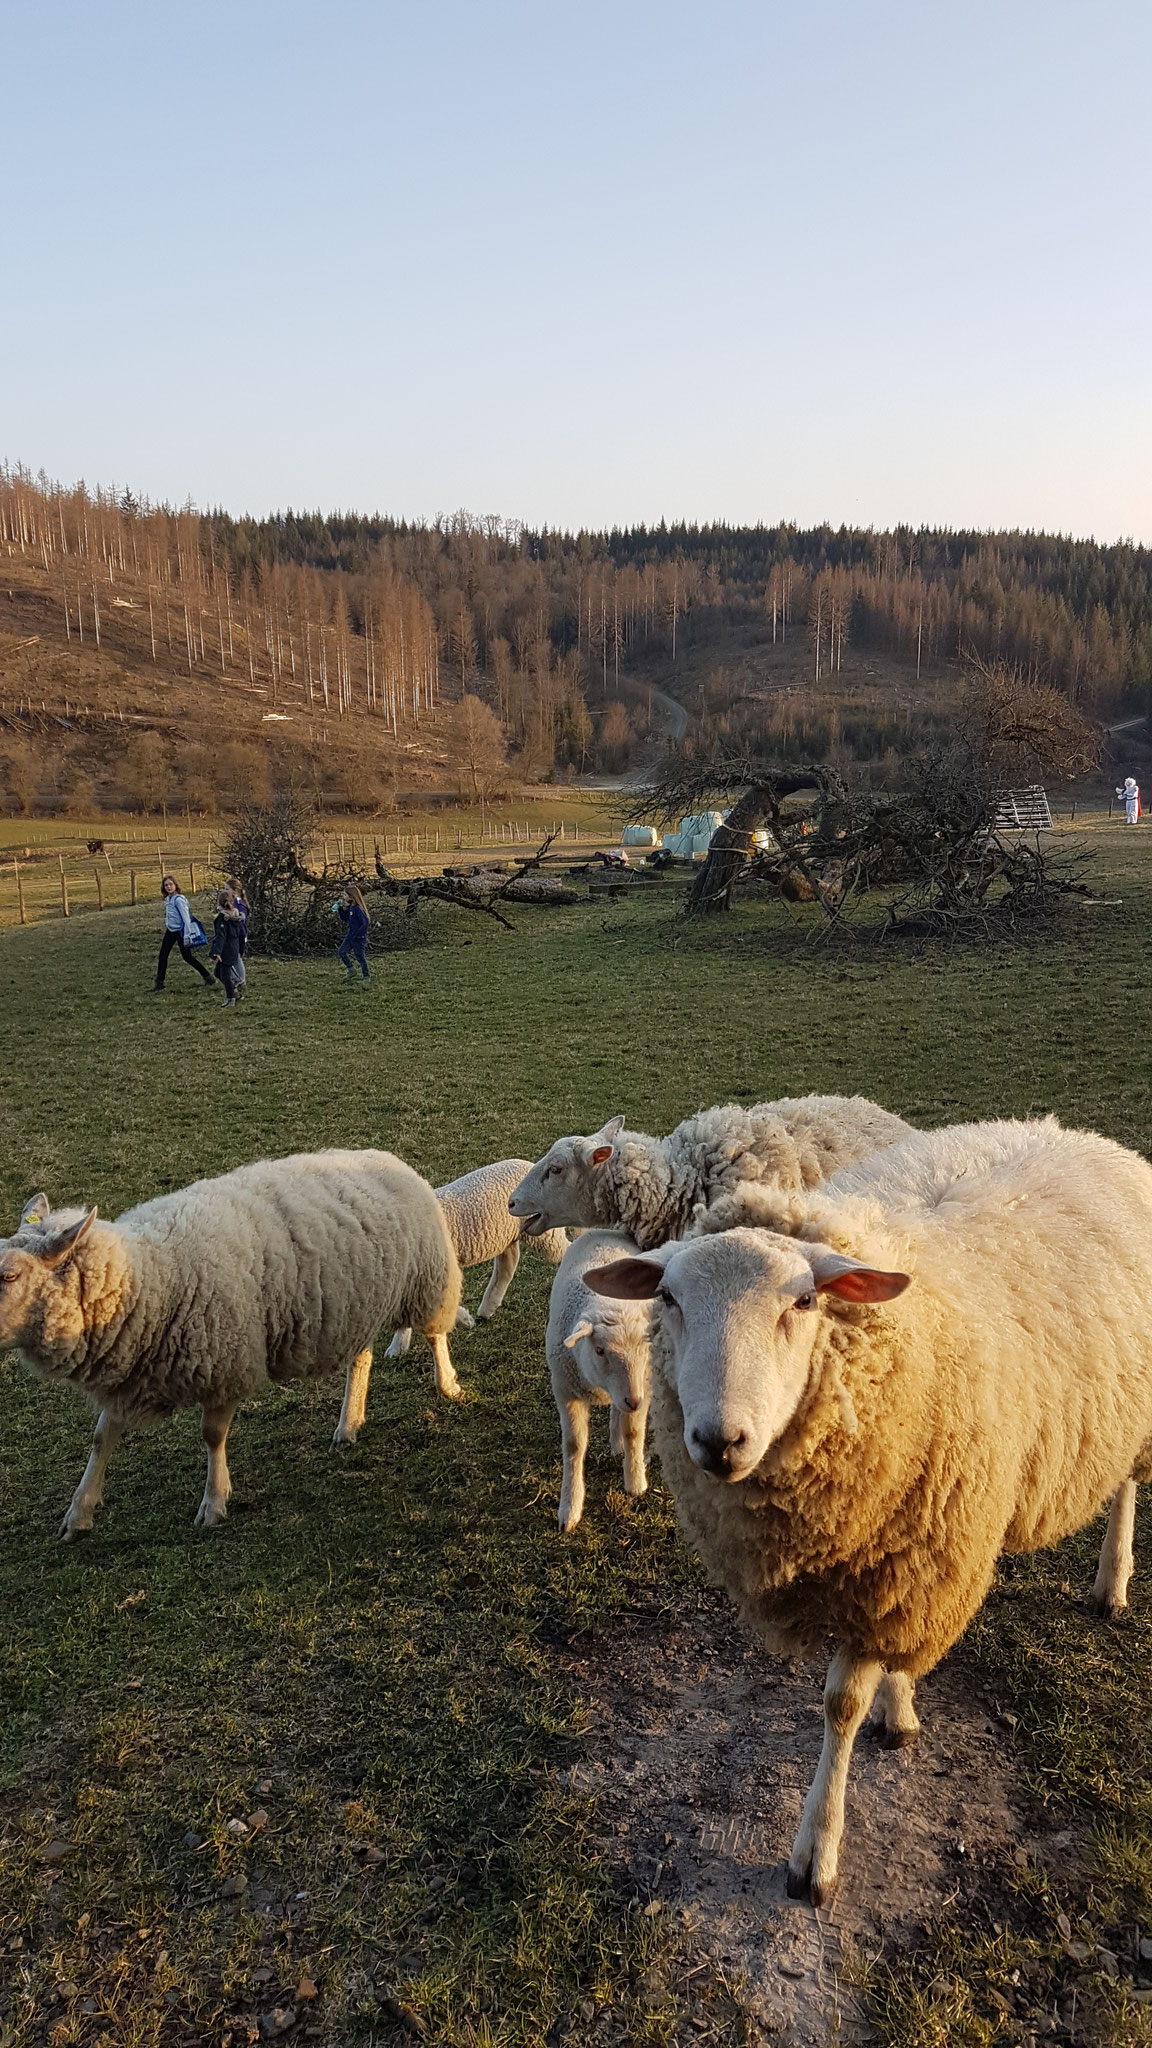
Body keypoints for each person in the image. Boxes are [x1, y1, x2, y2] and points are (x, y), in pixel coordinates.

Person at [154, 874, 213, 992]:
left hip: (181, 931)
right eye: (166, 885)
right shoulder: (168, 899)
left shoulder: (179, 900)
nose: (168, 887)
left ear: (175, 885)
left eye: (171, 884)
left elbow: (186, 918)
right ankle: (159, 983)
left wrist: (187, 935)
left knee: (187, 957)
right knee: (163, 955)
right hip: (170, 931)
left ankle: (207, 977)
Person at [210, 887, 245, 1007]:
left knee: (224, 974)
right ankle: (234, 987)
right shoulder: (237, 916)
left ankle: (231, 997)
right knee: (217, 973)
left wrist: (217, 952)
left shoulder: (221, 918)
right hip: (234, 948)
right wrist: (242, 949)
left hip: (226, 950)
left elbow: (221, 937)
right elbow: (242, 934)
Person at [335, 880, 371, 981]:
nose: (343, 896)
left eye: (345, 894)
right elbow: (346, 919)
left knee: (360, 956)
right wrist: (341, 909)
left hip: (358, 938)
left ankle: (366, 976)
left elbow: (365, 922)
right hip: (350, 935)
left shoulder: (358, 909)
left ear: (351, 896)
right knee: (341, 952)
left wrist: (359, 935)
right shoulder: (351, 907)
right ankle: (351, 970)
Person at [227, 876, 250, 996]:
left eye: (227, 889)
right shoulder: (235, 902)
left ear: (234, 890)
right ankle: (240, 981)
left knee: (236, 958)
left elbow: (241, 921)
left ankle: (240, 980)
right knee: (236, 958)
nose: (225, 892)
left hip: (239, 934)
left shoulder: (239, 904)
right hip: (236, 934)